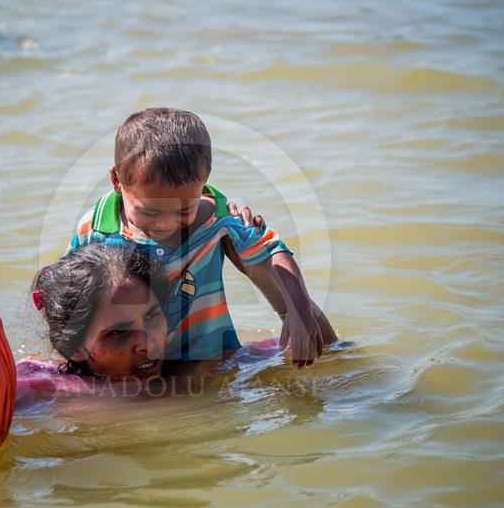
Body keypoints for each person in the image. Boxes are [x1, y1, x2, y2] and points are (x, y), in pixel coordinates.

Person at [67, 107, 336, 366]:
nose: (166, 224)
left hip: (209, 359)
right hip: (131, 364)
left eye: (184, 211)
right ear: (116, 180)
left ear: (203, 183)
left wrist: (297, 310)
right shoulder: (95, 228)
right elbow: (71, 296)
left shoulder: (215, 220)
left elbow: (272, 250)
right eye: (150, 211)